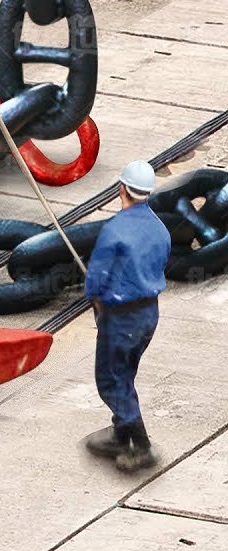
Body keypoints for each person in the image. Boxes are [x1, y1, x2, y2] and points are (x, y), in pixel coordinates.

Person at [83, 160, 172, 472]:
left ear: (121, 188)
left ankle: (141, 446)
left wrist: (96, 302)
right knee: (125, 374)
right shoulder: (160, 228)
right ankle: (121, 435)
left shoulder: (115, 230)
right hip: (149, 314)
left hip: (121, 319)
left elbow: (96, 279)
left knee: (111, 379)